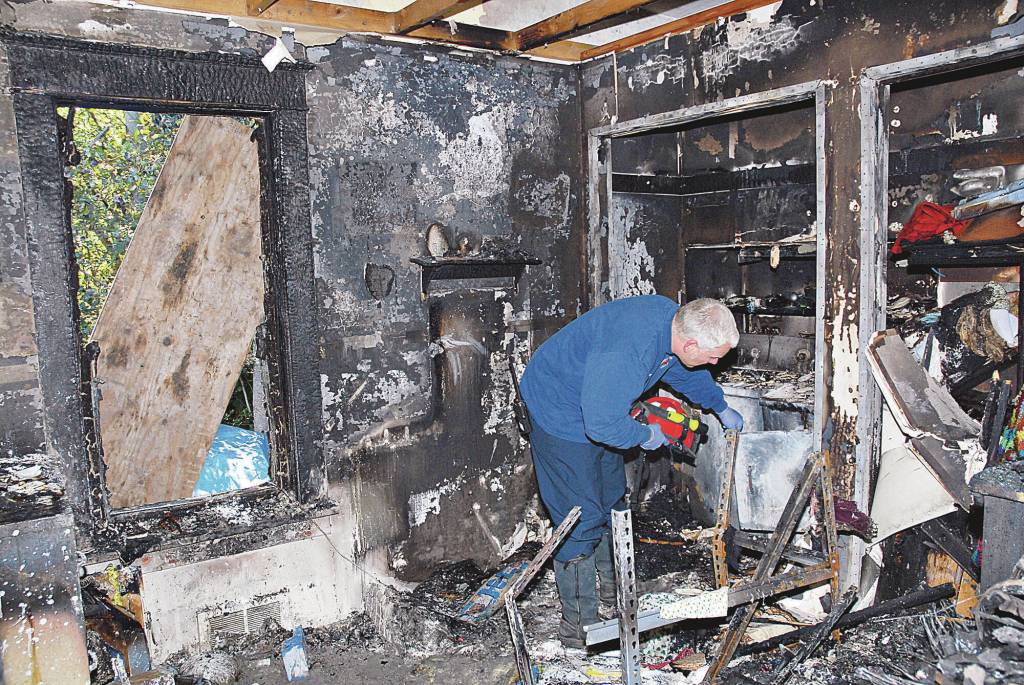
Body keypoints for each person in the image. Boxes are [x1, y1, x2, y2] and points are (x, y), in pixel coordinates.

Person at [519, 295, 743, 648]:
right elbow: (602, 425)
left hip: (599, 404)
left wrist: (719, 404)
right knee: (580, 516)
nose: (716, 363)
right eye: (713, 355)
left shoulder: (672, 322)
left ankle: (616, 589)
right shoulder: (627, 355)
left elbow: (684, 370)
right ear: (689, 342)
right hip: (559, 412)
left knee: (612, 499)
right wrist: (645, 436)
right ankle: (579, 629)